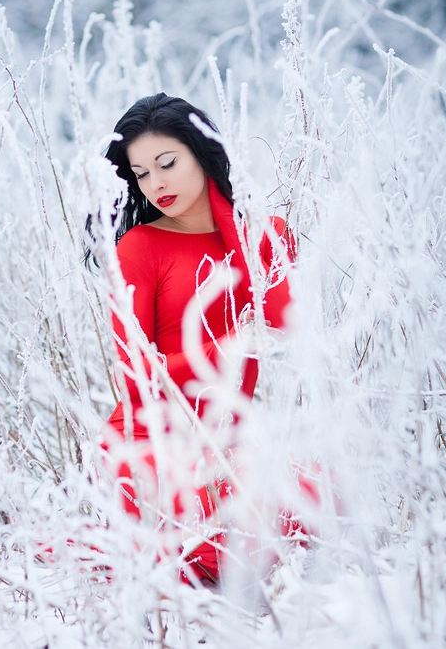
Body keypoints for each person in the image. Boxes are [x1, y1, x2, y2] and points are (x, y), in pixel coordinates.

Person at [92, 93, 296, 584]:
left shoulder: (266, 236)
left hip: (231, 443)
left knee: (309, 502)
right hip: (150, 443)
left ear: (203, 151)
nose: (155, 183)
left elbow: (286, 324)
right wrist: (231, 345)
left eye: (166, 163)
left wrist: (234, 226)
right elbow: (137, 375)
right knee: (226, 545)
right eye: (141, 173)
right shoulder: (139, 246)